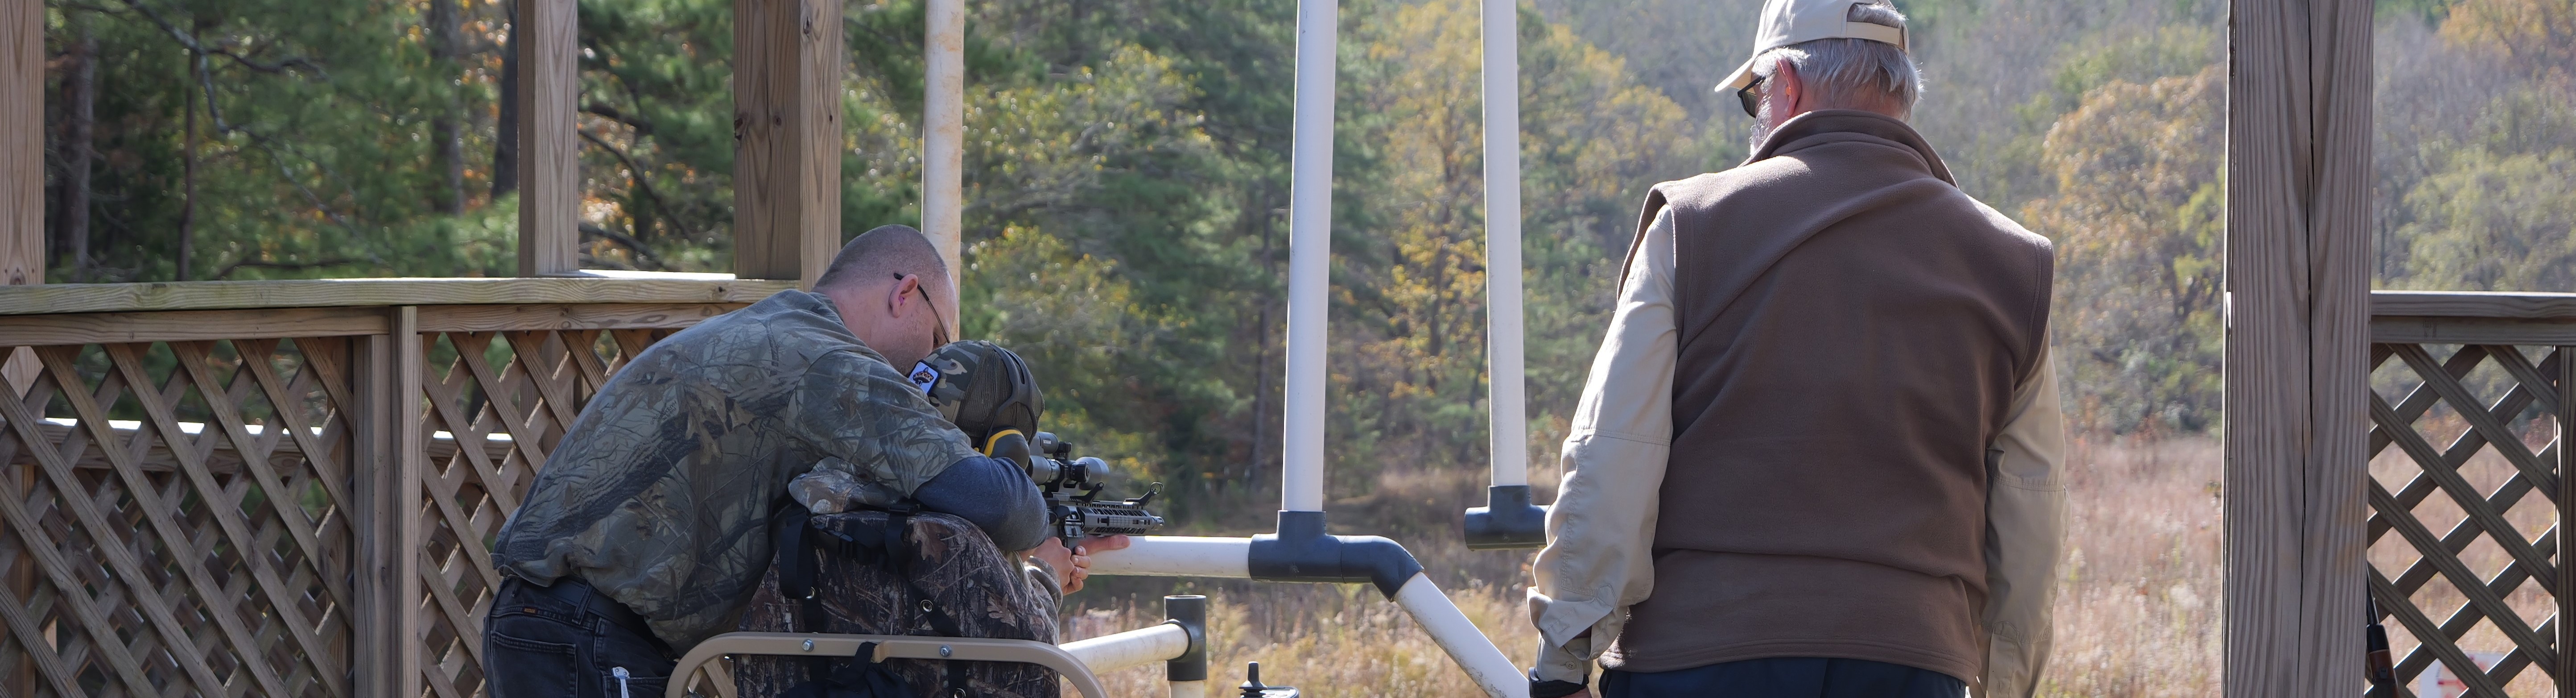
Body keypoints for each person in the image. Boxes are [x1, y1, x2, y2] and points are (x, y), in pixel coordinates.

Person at [1522, 2, 2067, 697]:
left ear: (1786, 84)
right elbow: (2031, 514)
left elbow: (1614, 452)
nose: (1757, 112)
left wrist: (1565, 656)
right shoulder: (2014, 266)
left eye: (1753, 94)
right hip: (1912, 664)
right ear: (1898, 93)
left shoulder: (1689, 229)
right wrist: (2005, 684)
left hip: (1700, 659)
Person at [484, 224, 1118, 698]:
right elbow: (995, 502)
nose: (925, 365)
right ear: (906, 293)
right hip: (586, 636)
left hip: (559, 625)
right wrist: (1041, 555)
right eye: (937, 338)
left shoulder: (775, 332)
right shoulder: (829, 362)